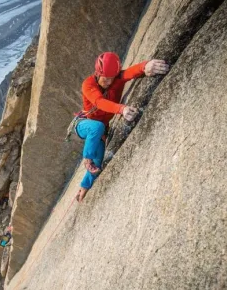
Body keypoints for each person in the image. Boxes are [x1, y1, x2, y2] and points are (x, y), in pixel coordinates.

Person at [69, 52, 169, 202]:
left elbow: (129, 73)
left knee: (98, 162)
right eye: (105, 78)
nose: (109, 82)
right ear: (98, 73)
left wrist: (146, 66)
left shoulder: (116, 79)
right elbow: (99, 102)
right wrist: (121, 109)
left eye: (112, 78)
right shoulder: (88, 84)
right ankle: (87, 159)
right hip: (83, 124)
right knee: (96, 128)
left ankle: (83, 187)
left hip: (101, 128)